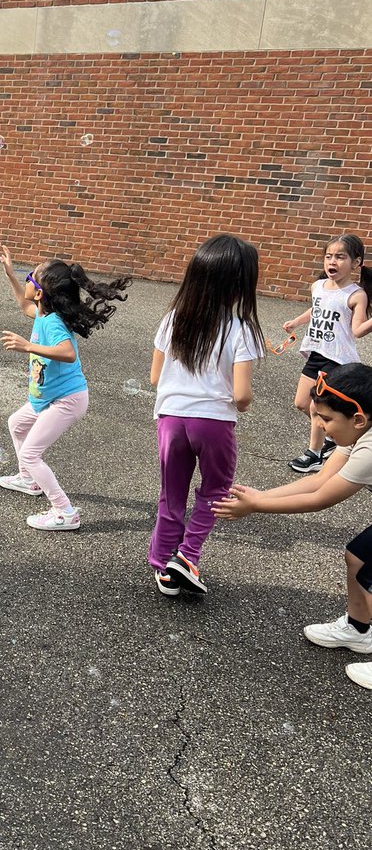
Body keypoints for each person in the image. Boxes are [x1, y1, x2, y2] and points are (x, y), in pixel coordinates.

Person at [213, 363, 372, 692]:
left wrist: (255, 506)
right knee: (357, 558)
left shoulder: (369, 448)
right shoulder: (356, 431)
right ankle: (359, 630)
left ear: (357, 419)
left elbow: (322, 499)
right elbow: (320, 478)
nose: (321, 427)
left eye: (326, 420)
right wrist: (262, 496)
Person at [148, 234, 263, 597]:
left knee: (172, 493)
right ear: (240, 285)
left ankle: (162, 563)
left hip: (169, 418)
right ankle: (187, 555)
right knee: (215, 490)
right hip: (213, 422)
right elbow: (242, 394)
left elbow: (155, 377)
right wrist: (242, 404)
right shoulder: (241, 329)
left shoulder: (172, 319)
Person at [0, 246, 130, 530]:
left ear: (41, 293)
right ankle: (28, 479)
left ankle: (64, 510)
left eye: (29, 279)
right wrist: (10, 274)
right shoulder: (44, 315)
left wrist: (28, 346)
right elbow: (24, 305)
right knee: (17, 424)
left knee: (32, 452)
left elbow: (67, 353)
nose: (26, 281)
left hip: (66, 400)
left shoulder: (53, 323)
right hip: (48, 397)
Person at [281, 233, 372, 474]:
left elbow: (358, 330)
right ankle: (332, 437)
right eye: (329, 256)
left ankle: (314, 454)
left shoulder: (356, 295)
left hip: (337, 358)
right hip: (317, 353)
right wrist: (296, 321)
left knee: (315, 407)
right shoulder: (318, 286)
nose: (332, 261)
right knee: (301, 403)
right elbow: (317, 308)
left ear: (356, 263)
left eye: (340, 257)